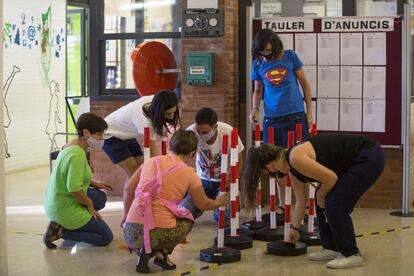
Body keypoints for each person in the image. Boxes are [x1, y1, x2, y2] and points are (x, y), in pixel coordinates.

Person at [242, 133, 385, 269]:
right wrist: (294, 230)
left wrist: (321, 196)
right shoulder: (292, 166)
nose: (273, 175)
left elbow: (331, 178)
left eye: (268, 172)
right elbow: (300, 201)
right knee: (322, 200)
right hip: (362, 156)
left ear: (270, 166)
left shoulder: (295, 158)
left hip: (368, 156)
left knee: (335, 203)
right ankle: (331, 247)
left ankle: (351, 253)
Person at [123, 129, 228, 273]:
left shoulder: (150, 162)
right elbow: (203, 204)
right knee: (188, 217)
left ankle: (149, 252)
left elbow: (128, 189)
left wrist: (126, 216)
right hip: (160, 233)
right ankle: (161, 252)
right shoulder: (189, 173)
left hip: (130, 234)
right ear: (192, 153)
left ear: (170, 147)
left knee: (147, 231)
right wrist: (219, 202)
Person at [249, 28, 314, 211]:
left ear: (276, 45)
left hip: (295, 115)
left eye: (269, 50)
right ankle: (282, 204)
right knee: (276, 162)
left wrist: (309, 113)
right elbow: (257, 90)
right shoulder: (258, 63)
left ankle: (304, 203)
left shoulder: (290, 57)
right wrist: (254, 109)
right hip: (272, 119)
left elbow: (305, 85)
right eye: (262, 51)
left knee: (301, 160)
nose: (266, 54)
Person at [43, 112, 114, 249]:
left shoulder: (72, 146)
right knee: (106, 237)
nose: (101, 139)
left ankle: (65, 222)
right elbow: (74, 189)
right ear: (86, 132)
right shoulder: (76, 155)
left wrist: (96, 184)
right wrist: (89, 205)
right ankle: (63, 231)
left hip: (56, 200)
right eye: (98, 135)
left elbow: (75, 176)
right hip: (63, 205)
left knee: (99, 197)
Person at [181, 107, 243, 220]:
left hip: (224, 182)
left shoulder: (228, 132)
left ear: (215, 127)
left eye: (204, 132)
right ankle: (200, 208)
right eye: (198, 130)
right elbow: (181, 159)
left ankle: (231, 203)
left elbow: (239, 162)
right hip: (201, 182)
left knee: (224, 218)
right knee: (183, 212)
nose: (200, 135)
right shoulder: (191, 132)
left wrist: (228, 186)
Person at [103, 89, 180, 178]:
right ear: (159, 111)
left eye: (173, 112)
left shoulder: (156, 100)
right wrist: (161, 169)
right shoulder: (145, 121)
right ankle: (131, 192)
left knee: (141, 169)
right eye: (168, 113)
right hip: (110, 134)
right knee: (134, 172)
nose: (171, 117)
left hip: (126, 133)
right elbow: (152, 148)